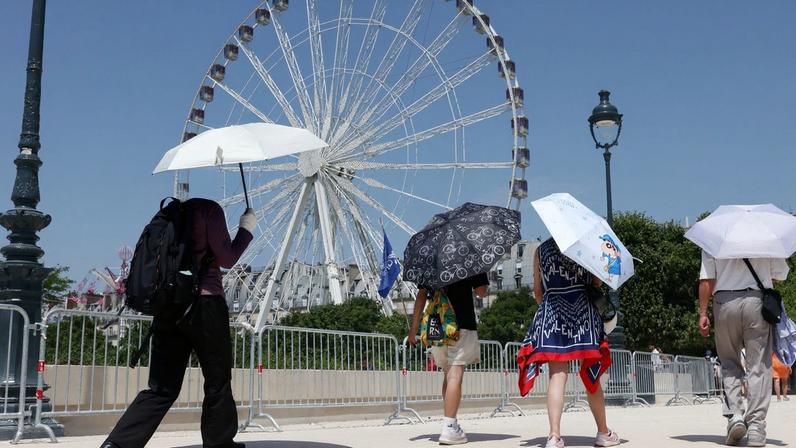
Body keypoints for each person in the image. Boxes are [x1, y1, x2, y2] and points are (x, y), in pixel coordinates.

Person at [101, 200, 256, 448]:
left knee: (161, 387)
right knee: (217, 379)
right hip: (205, 304)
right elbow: (228, 258)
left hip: (168, 305)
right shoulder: (210, 210)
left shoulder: (168, 214)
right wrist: (246, 230)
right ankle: (219, 444)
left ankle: (118, 445)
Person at [517, 238, 619, 448]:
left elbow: (538, 292)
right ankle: (603, 432)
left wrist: (553, 304)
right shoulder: (582, 244)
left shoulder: (540, 250)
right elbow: (597, 283)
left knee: (557, 375)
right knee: (592, 376)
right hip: (582, 310)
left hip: (552, 311)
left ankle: (554, 436)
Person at [697, 252, 789, 447]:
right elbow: (781, 274)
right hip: (757, 302)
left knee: (729, 361)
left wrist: (703, 312)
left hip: (724, 302)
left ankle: (735, 416)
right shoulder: (765, 235)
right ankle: (756, 426)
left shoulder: (715, 238)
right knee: (759, 365)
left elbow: (707, 279)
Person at [408, 273, 488, 445]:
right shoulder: (468, 257)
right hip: (461, 324)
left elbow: (421, 296)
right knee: (455, 375)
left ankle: (450, 422)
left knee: (447, 375)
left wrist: (413, 329)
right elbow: (482, 292)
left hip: (435, 325)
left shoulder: (432, 261)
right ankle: (450, 426)